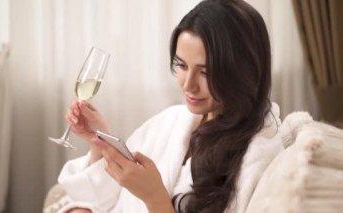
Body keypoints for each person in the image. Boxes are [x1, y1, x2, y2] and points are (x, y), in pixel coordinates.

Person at [57, 0, 284, 212]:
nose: (188, 85)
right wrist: (102, 141)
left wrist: (154, 197)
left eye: (206, 72)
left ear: (243, 71)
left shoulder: (258, 153)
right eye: (182, 65)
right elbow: (104, 198)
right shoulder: (170, 121)